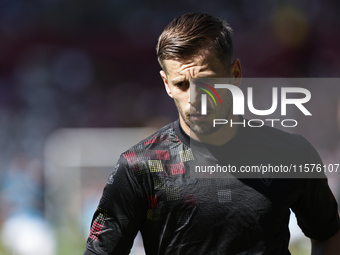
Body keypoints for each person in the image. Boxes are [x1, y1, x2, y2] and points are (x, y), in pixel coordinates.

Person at [83, 12, 340, 254]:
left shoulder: (291, 154)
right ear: (166, 84)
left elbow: (328, 233)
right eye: (182, 85)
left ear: (235, 74)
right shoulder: (140, 167)